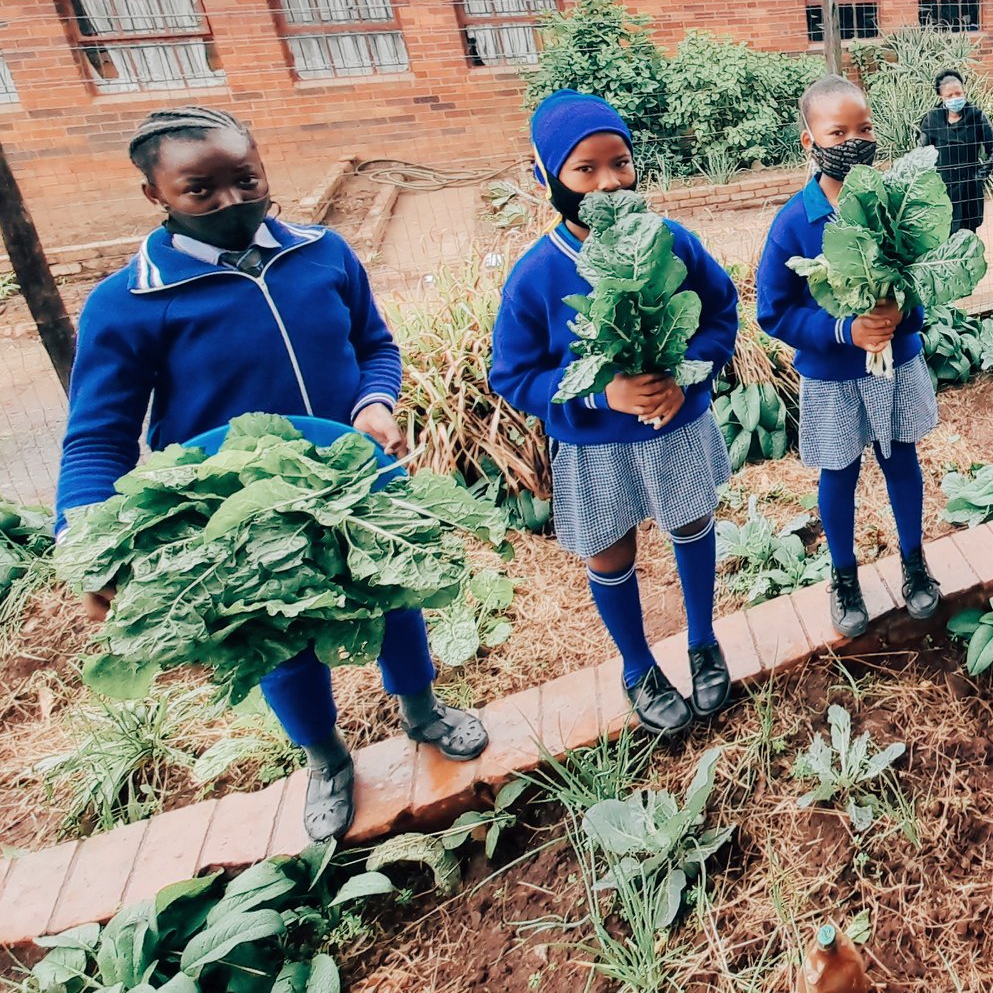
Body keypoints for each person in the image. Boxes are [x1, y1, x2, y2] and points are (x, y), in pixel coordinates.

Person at [56, 106, 487, 843]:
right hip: (242, 515)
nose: (231, 201)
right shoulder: (129, 303)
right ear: (155, 194)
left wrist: (374, 403)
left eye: (246, 179)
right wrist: (87, 544)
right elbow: (97, 437)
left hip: (353, 481)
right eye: (200, 190)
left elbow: (375, 346)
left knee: (397, 596)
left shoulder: (322, 255)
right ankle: (326, 759)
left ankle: (421, 711)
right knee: (276, 638)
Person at [491, 90, 739, 741]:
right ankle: (637, 666)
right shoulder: (535, 276)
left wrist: (689, 375)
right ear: (547, 180)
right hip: (593, 445)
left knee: (692, 522)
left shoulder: (673, 243)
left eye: (620, 163)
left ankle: (703, 642)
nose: (608, 183)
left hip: (675, 426)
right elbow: (512, 375)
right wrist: (603, 394)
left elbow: (720, 314)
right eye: (585, 169)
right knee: (609, 551)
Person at [757, 75, 943, 638]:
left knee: (901, 460)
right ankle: (844, 577)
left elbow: (920, 279)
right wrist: (845, 330)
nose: (854, 141)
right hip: (833, 376)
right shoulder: (794, 221)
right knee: (838, 472)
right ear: (810, 141)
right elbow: (774, 311)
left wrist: (900, 315)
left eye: (863, 129)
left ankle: (914, 562)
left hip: (896, 364)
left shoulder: (891, 204)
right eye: (838, 133)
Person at [915, 69, 993, 233]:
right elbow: (922, 156)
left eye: (958, 93)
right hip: (943, 189)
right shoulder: (932, 119)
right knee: (944, 235)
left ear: (964, 91)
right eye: (949, 95)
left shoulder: (977, 116)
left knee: (968, 235)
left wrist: (979, 176)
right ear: (941, 96)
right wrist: (931, 184)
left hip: (970, 188)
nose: (955, 98)